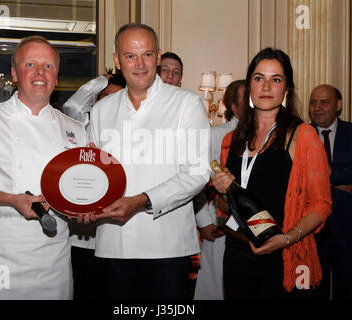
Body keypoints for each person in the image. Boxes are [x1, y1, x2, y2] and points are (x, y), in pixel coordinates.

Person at [0, 36, 87, 300]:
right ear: (14, 73)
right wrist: (10, 199)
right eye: (30, 64)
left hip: (53, 256)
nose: (40, 73)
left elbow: (82, 188)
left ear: (56, 76)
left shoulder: (75, 130)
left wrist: (84, 208)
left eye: (48, 66)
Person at [87, 23, 210, 300]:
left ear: (158, 56)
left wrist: (142, 200)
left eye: (147, 55)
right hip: (113, 245)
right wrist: (84, 200)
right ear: (117, 61)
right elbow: (95, 171)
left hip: (166, 246)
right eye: (130, 56)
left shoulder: (187, 103)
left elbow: (198, 172)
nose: (139, 64)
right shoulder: (101, 110)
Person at [211, 47, 332, 299]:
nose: (266, 86)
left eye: (275, 79)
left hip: (282, 253)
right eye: (258, 78)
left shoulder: (303, 136)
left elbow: (321, 204)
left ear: (286, 89)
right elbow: (224, 206)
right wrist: (222, 191)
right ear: (250, 86)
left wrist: (287, 239)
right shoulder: (231, 140)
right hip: (236, 252)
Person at [309, 84, 352, 300]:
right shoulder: (301, 134)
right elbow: (293, 180)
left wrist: (328, 173)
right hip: (312, 233)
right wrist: (333, 182)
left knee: (350, 293)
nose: (317, 107)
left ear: (338, 105)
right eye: (313, 102)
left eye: (324, 102)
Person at [62, 72, 125, 300]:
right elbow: (72, 105)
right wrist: (101, 81)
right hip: (82, 236)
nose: (109, 104)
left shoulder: (130, 138)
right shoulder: (81, 127)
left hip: (115, 236)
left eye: (116, 100)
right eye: (105, 97)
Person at [193, 79, 246, 300]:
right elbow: (199, 180)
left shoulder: (266, 136)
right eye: (247, 99)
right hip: (220, 224)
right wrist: (205, 222)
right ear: (233, 106)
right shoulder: (216, 135)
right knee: (215, 286)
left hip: (253, 227)